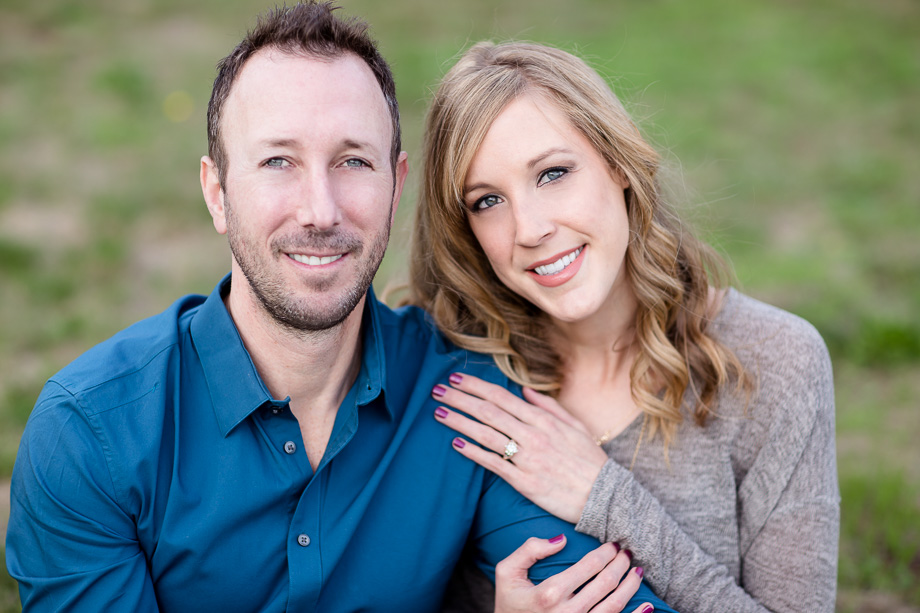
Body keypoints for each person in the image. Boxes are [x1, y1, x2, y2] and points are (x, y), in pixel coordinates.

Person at [5, 5, 679, 613]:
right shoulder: (90, 437)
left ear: (397, 185)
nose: (320, 211)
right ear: (217, 192)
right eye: (278, 162)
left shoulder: (466, 398)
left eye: (353, 161)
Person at [408, 41, 839, 612]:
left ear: (618, 164)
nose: (530, 228)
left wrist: (602, 496)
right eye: (488, 201)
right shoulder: (459, 376)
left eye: (553, 173)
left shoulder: (776, 360)